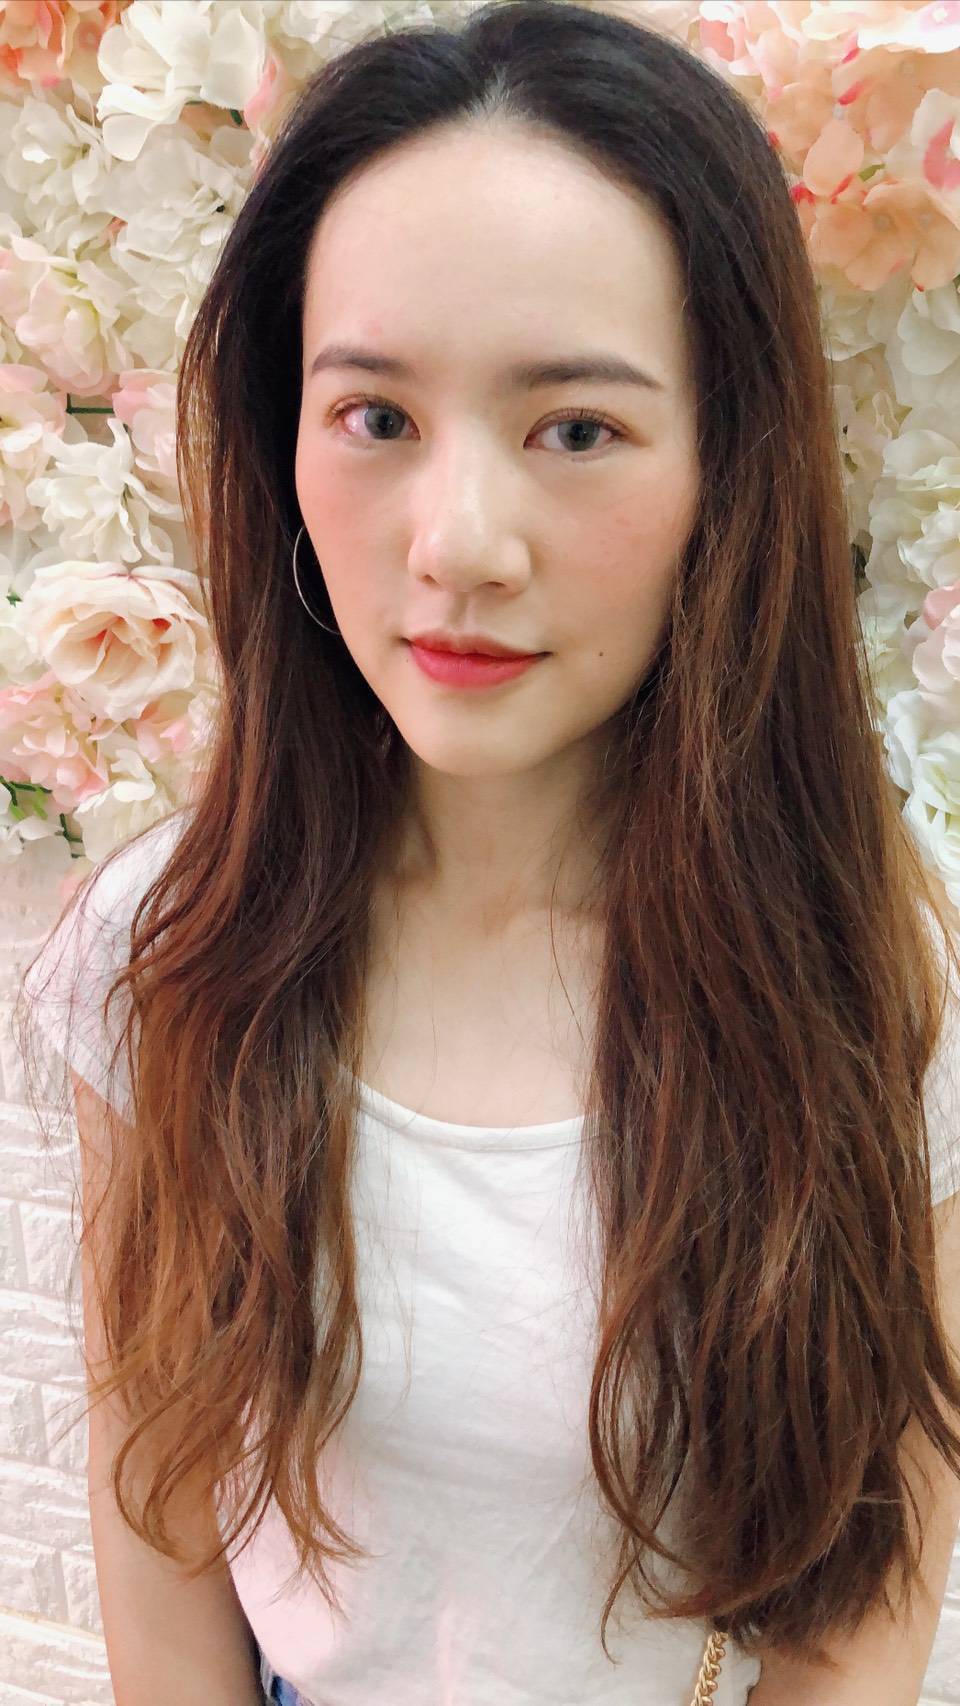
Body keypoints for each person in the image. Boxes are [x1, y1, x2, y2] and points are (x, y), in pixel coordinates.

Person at [16, 2, 960, 1703]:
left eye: (574, 429)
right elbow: (162, 1538)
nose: (457, 546)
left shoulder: (878, 984)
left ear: (729, 469)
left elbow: (862, 1613)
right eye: (375, 417)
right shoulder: (165, 946)